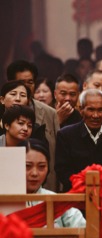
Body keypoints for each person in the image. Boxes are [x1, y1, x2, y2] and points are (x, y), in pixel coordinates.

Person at [55, 89, 102, 191]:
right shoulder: (65, 135)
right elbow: (62, 170)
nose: (96, 115)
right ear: (81, 109)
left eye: (100, 110)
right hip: (76, 198)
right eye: (91, 110)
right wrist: (84, 188)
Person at [6, 60, 60, 191]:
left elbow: (57, 153)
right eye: (21, 83)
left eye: (30, 82)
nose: (26, 86)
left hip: (44, 186)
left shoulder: (49, 113)